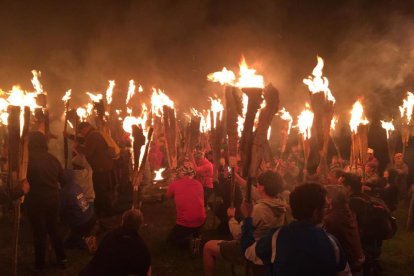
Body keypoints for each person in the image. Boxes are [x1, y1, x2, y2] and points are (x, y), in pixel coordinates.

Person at [241, 183, 350, 276]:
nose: (327, 210)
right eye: (326, 207)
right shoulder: (331, 243)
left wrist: (248, 218)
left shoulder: (277, 237)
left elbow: (248, 252)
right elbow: (345, 273)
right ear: (316, 213)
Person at [203, 171, 287, 276]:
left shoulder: (259, 210)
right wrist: (236, 176)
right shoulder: (279, 202)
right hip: (269, 248)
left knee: (208, 247)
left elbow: (238, 234)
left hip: (252, 249)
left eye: (258, 184)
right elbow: (252, 190)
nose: (256, 186)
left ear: (262, 187)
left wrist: (231, 218)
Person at [25, 131, 67, 271]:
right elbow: (64, 180)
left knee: (40, 233)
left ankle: (40, 265)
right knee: (53, 228)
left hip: (35, 200)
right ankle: (62, 259)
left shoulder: (27, 160)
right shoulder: (52, 159)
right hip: (53, 199)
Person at [80, 209, 151, 276]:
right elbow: (143, 269)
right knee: (149, 269)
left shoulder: (109, 236)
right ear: (139, 225)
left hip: (92, 273)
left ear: (122, 221)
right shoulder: (141, 247)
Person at [340, 173, 385, 276]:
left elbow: (352, 228)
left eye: (342, 186)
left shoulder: (352, 203)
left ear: (348, 188)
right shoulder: (365, 197)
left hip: (363, 244)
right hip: (373, 242)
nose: (341, 189)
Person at [75, 122, 115, 217]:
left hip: (100, 168)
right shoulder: (95, 134)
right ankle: (108, 211)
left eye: (81, 131)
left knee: (100, 190)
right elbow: (84, 142)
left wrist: (77, 147)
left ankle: (103, 212)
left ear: (86, 128)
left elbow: (88, 152)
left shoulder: (92, 136)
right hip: (104, 166)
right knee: (103, 190)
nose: (82, 134)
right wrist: (70, 136)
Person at [324, 191, 365, 274]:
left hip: (350, 263)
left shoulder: (330, 220)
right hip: (359, 256)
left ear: (330, 200)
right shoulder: (349, 213)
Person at [166, 165, 206, 247]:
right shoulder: (199, 184)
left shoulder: (175, 184)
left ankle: (190, 242)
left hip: (185, 221)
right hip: (201, 219)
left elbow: (168, 196)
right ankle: (196, 236)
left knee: (170, 241)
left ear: (180, 174)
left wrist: (171, 185)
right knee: (194, 228)